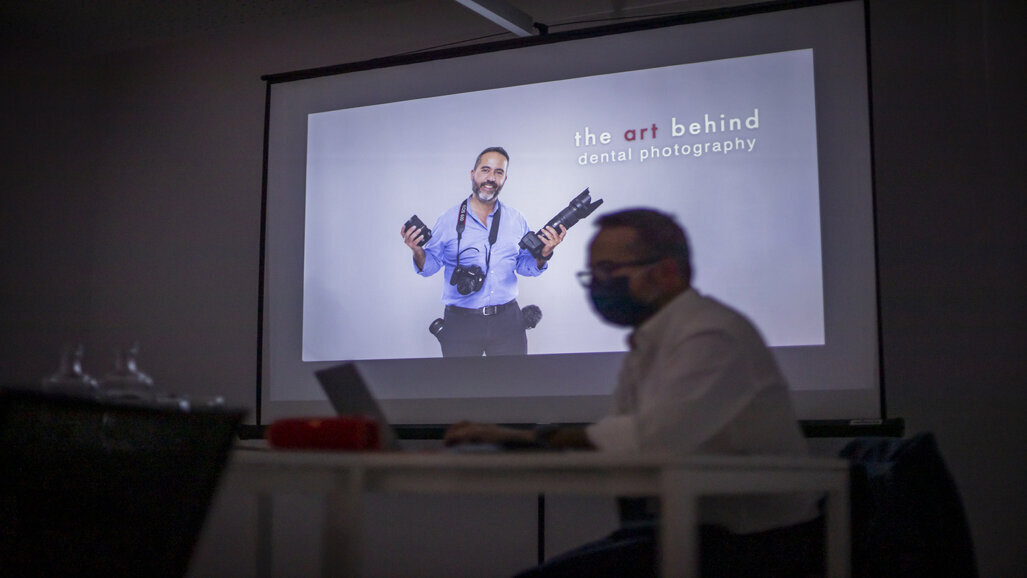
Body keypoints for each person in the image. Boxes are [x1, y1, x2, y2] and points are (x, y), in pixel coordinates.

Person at [445, 208, 824, 577]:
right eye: (592, 273)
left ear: (667, 272)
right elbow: (622, 446)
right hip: (684, 534)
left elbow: (649, 441)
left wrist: (525, 439)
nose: (598, 285)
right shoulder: (650, 340)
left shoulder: (711, 335)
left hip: (754, 547)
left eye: (609, 270)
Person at [401, 147, 566, 357]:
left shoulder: (516, 220)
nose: (491, 178)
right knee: (462, 388)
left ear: (505, 179)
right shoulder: (448, 219)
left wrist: (544, 254)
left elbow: (525, 267)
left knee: (514, 386)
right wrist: (417, 251)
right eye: (485, 170)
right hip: (461, 322)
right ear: (473, 174)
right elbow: (429, 267)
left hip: (508, 321)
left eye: (498, 172)